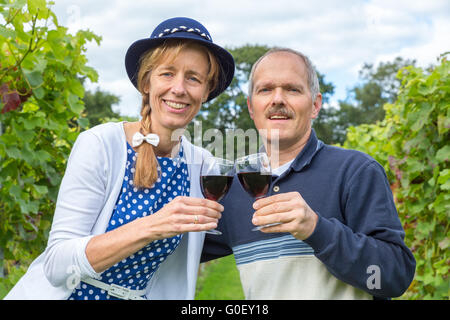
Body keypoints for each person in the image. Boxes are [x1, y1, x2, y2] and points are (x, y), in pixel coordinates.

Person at [5, 17, 235, 300]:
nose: (179, 88)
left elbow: (247, 215)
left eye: (193, 78)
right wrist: (154, 226)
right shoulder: (101, 145)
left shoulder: (202, 166)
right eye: (167, 73)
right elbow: (57, 265)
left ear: (206, 91)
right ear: (146, 82)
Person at [202, 48, 416, 299]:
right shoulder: (235, 189)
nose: (278, 99)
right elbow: (170, 253)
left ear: (315, 105)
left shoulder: (356, 172)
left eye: (292, 89)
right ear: (251, 107)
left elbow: (393, 277)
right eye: (265, 89)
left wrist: (317, 229)